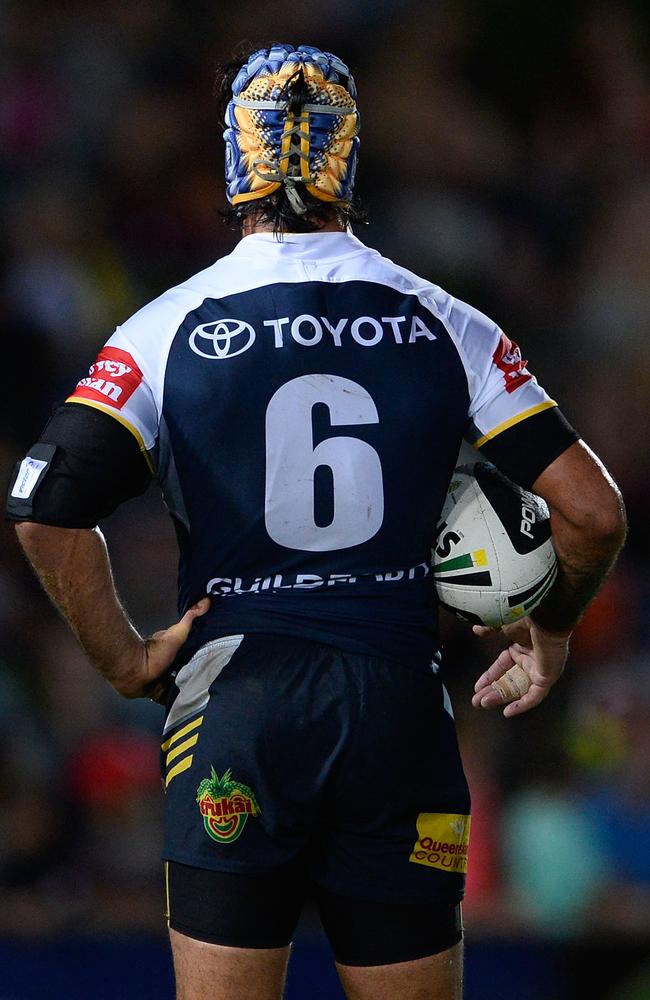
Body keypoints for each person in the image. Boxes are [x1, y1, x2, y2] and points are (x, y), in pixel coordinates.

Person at [6, 42, 626, 1000]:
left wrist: (124, 658)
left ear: (231, 163)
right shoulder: (445, 321)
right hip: (397, 713)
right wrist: (548, 634)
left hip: (235, 708)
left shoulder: (165, 327)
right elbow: (590, 513)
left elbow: (44, 509)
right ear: (350, 161)